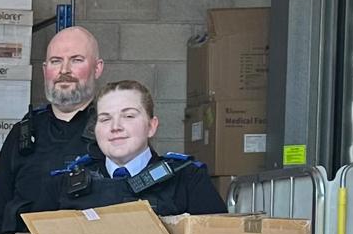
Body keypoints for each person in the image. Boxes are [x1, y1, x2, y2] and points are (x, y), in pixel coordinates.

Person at [0, 25, 105, 234]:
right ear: (44, 69)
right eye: (56, 61)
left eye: (76, 60)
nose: (64, 70)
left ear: (97, 68)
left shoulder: (114, 132)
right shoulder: (22, 134)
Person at [36, 79, 227, 217]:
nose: (115, 127)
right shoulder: (63, 184)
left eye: (128, 116)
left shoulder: (188, 179)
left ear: (151, 126)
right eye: (105, 119)